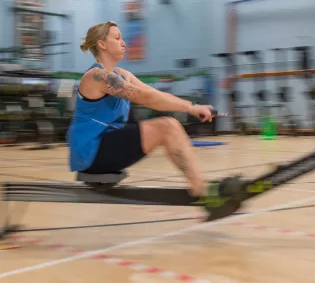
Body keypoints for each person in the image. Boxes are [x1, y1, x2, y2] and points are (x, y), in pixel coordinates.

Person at [67, 21, 245, 221]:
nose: (123, 43)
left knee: (168, 127)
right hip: (91, 152)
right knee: (167, 127)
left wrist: (192, 107)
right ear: (102, 44)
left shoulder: (122, 75)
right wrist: (190, 107)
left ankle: (200, 186)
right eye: (117, 38)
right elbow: (145, 98)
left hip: (106, 145)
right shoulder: (97, 76)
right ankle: (203, 190)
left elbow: (151, 93)